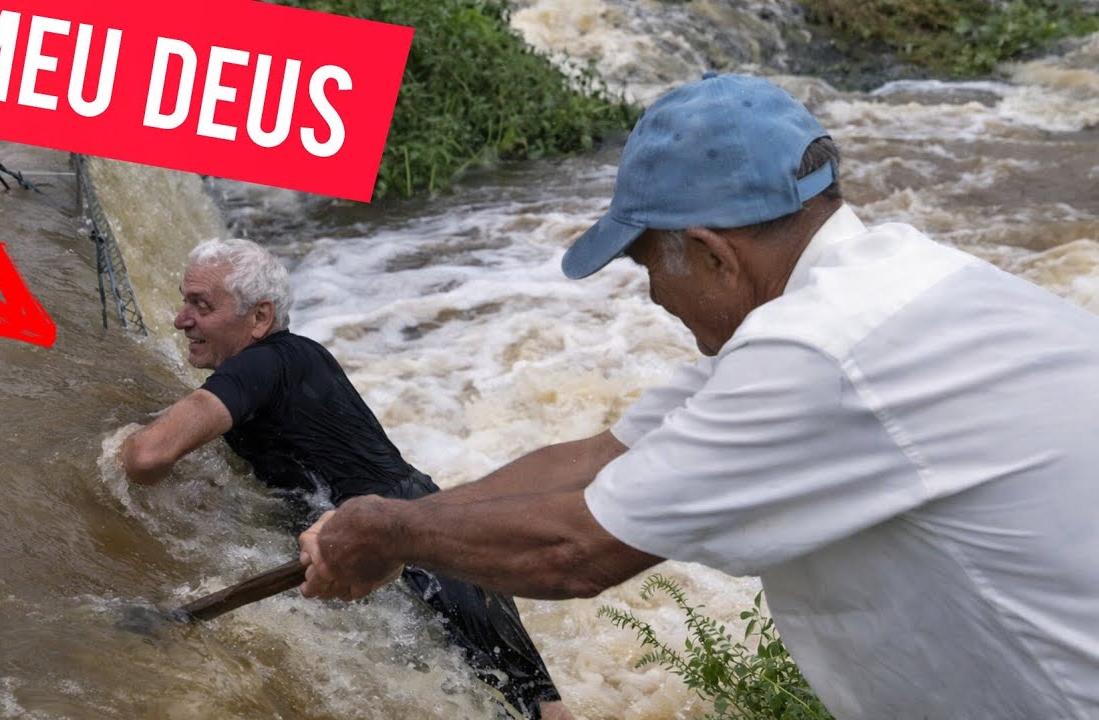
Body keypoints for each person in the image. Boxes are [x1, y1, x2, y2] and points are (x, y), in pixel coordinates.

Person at [295, 72, 1099, 719]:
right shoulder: (897, 286)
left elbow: (576, 550)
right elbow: (598, 461)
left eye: (649, 266)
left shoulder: (818, 353)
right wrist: (389, 518)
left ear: (715, 255)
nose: (651, 298)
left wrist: (393, 534)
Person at [119, 237, 572, 720]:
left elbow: (147, 456)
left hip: (405, 556)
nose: (181, 319)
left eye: (201, 306)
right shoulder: (297, 356)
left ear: (260, 318)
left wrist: (111, 441)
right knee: (534, 707)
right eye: (184, 300)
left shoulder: (260, 364)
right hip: (436, 533)